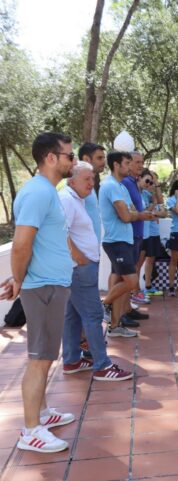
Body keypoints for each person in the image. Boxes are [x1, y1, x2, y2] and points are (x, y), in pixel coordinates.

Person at [2, 132, 76, 453]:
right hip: (43, 285)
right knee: (40, 358)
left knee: (46, 356)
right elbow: (20, 244)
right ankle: (30, 430)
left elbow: (32, 244)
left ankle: (42, 414)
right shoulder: (38, 193)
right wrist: (18, 281)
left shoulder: (45, 191)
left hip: (49, 283)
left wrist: (18, 277)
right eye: (69, 156)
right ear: (51, 158)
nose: (72, 161)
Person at [59, 161, 133, 382]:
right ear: (72, 180)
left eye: (93, 179)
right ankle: (102, 366)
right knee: (93, 316)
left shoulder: (75, 199)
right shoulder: (66, 200)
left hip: (80, 268)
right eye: (87, 179)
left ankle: (72, 360)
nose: (92, 183)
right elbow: (59, 232)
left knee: (72, 316)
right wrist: (79, 256)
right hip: (80, 269)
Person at [99, 152, 154, 337]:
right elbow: (126, 215)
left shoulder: (120, 186)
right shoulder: (110, 186)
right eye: (127, 163)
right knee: (131, 281)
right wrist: (139, 215)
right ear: (116, 165)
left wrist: (134, 214)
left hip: (125, 240)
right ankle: (103, 305)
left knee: (124, 284)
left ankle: (115, 327)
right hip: (116, 242)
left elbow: (130, 211)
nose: (130, 166)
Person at [122, 151, 151, 306]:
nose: (141, 165)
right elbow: (128, 210)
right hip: (130, 234)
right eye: (137, 162)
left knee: (133, 270)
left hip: (138, 234)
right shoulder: (126, 183)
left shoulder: (134, 183)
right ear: (128, 163)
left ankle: (128, 304)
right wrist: (141, 215)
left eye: (142, 162)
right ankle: (123, 306)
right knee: (127, 274)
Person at [138, 170, 167, 295]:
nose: (150, 184)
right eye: (148, 181)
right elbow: (142, 212)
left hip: (153, 232)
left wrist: (157, 185)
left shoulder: (150, 194)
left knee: (150, 259)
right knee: (139, 263)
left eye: (152, 182)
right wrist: (153, 210)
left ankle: (148, 287)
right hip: (142, 232)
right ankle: (135, 290)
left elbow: (162, 208)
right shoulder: (141, 194)